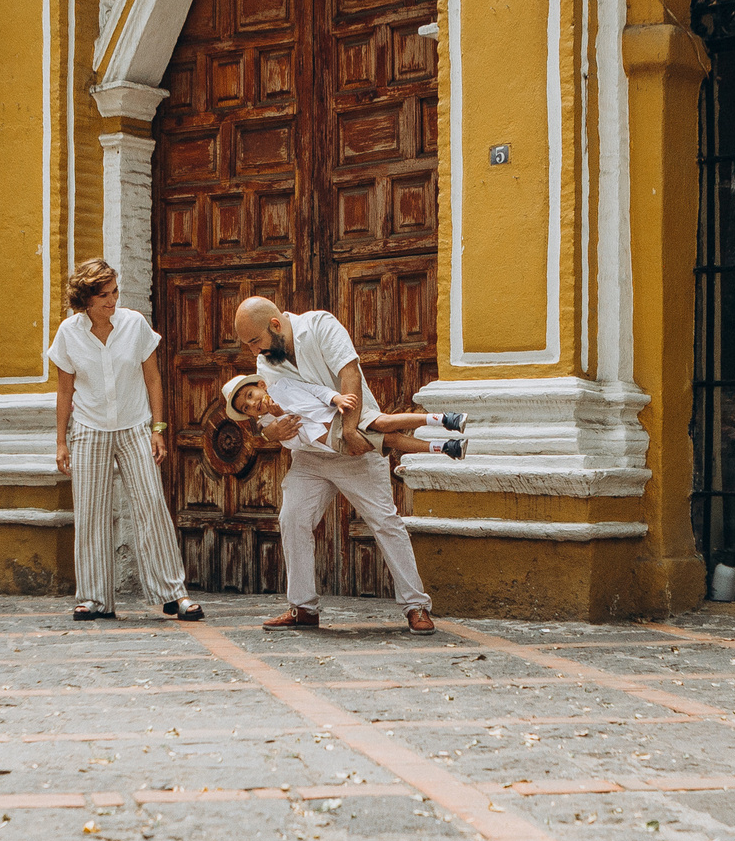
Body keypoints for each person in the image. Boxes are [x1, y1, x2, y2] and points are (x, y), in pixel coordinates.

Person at [229, 295, 436, 635]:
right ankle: (303, 607)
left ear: (276, 325)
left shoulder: (320, 325)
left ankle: (416, 606)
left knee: (385, 521)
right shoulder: (266, 363)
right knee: (292, 517)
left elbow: (349, 375)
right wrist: (271, 435)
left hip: (356, 443)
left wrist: (351, 430)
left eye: (255, 341)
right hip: (310, 454)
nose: (254, 352)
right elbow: (269, 414)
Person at [48, 260, 201, 622]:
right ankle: (94, 599)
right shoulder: (68, 333)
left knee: (151, 505)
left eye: (115, 291)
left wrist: (158, 429)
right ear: (85, 298)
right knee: (90, 512)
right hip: (88, 428)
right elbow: (64, 390)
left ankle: (173, 594)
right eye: (104, 295)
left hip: (135, 426)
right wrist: (60, 441)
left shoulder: (134, 324)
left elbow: (153, 380)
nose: (113, 300)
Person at [219, 372, 468, 461]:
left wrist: (336, 398)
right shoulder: (270, 426)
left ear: (261, 385)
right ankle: (446, 448)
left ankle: (445, 419)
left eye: (251, 395)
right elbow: (297, 443)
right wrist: (279, 417)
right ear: (248, 415)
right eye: (246, 407)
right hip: (334, 440)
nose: (253, 403)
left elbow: (313, 390)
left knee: (383, 421)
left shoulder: (283, 385)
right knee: (390, 439)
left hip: (340, 415)